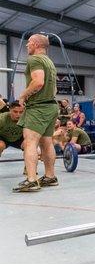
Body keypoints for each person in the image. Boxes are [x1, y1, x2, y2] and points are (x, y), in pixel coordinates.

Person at [14, 34, 59, 192]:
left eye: (28, 43)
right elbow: (54, 89)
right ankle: (50, 176)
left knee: (30, 142)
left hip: (38, 107)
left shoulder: (34, 60)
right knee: (46, 142)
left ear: (35, 44)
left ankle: (31, 180)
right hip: (51, 106)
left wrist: (23, 95)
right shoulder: (50, 62)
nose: (27, 46)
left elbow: (38, 82)